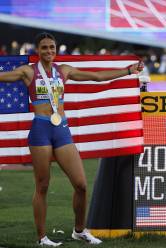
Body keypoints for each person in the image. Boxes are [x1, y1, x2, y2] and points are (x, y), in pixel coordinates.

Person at [0, 32, 143, 246]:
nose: (49, 51)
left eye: (52, 47)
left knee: (81, 185)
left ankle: (79, 230)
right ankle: (42, 237)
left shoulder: (63, 70)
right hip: (40, 130)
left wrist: (127, 71)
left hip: (61, 130)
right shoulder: (28, 72)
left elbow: (96, 77)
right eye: (44, 47)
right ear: (37, 50)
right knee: (42, 186)